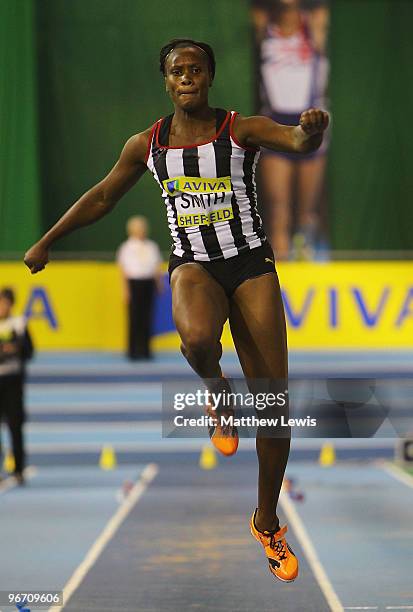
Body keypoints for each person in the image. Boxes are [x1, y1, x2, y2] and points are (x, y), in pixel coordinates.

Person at [24, 38, 328, 582]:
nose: (186, 77)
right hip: (194, 265)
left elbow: (298, 142)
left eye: (195, 69)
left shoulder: (241, 130)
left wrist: (312, 129)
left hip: (251, 264)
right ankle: (216, 391)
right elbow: (101, 198)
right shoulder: (147, 145)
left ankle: (265, 522)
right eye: (176, 71)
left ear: (209, 76)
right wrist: (48, 240)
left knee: (275, 410)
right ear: (165, 81)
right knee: (194, 341)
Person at [252, 0, 330, 259]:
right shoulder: (264, 26)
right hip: (277, 121)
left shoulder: (314, 24)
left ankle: (307, 261)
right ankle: (282, 281)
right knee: (278, 213)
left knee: (306, 215)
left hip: (311, 120)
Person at [0, 287, 34, 485]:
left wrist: (15, 348)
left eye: (5, 303)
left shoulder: (19, 324)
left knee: (15, 427)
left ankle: (18, 470)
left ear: (11, 304)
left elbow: (29, 351)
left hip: (13, 382)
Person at [117, 215, 163, 360]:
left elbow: (156, 267)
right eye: (138, 228)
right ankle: (133, 350)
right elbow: (123, 270)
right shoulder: (126, 247)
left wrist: (159, 284)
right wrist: (126, 290)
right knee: (134, 318)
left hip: (148, 283)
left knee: (147, 317)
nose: (141, 231)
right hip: (134, 283)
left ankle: (145, 350)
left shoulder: (151, 246)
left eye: (142, 228)